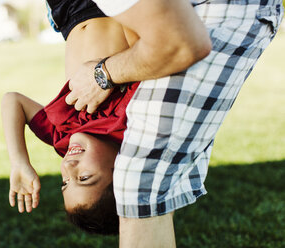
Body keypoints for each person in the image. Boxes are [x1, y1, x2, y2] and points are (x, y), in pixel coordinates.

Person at [65, 0, 284, 246]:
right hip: (195, 20)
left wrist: (101, 75)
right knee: (145, 182)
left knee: (141, 182)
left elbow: (182, 45)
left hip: (221, 11)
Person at [2, 0, 142, 234]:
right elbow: (141, 45)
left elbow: (13, 101)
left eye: (65, 183)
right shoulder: (129, 124)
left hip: (66, 13)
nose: (69, 167)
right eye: (84, 177)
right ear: (121, 171)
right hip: (109, 9)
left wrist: (19, 162)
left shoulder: (62, 139)